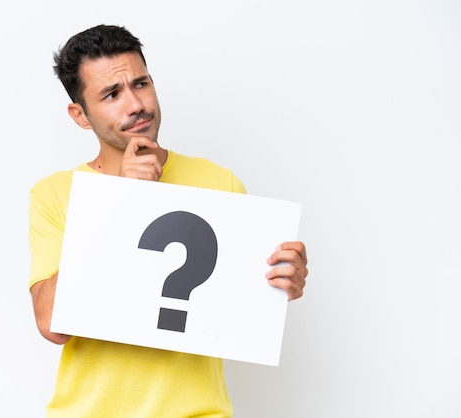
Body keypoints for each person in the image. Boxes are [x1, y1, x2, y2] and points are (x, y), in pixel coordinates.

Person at [28, 24, 309, 417]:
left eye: (140, 84)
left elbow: (239, 306)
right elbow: (51, 324)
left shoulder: (220, 182)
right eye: (111, 94)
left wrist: (281, 283)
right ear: (81, 115)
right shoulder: (55, 194)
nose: (135, 105)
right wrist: (123, 201)